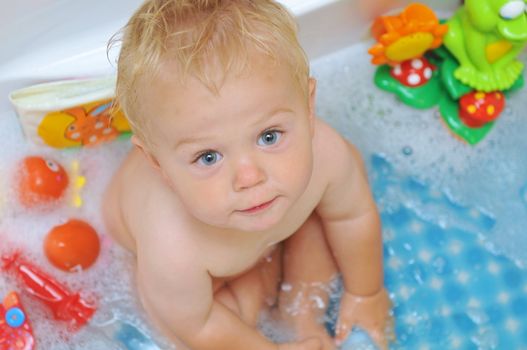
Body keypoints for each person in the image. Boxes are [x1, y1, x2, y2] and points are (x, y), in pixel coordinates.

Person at [103, 0, 392, 349]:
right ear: (157, 163)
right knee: (233, 315)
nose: (249, 177)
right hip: (209, 284)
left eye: (269, 136)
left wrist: (366, 292)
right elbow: (196, 325)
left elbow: (353, 218)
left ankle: (301, 318)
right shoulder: (173, 248)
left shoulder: (328, 157)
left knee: (321, 226)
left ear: (308, 105)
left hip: (269, 235)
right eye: (208, 157)